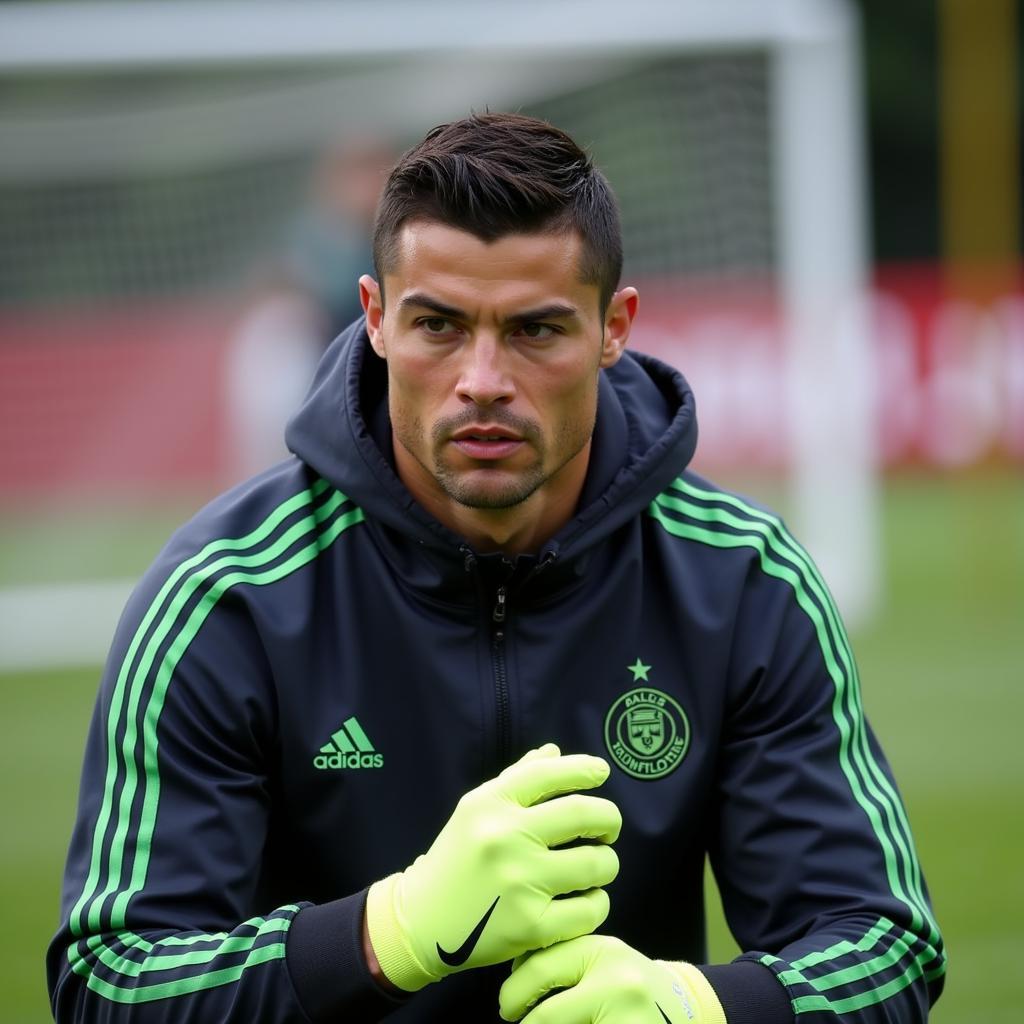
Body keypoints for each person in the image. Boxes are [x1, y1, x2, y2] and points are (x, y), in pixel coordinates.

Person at [48, 113, 945, 1023]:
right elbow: (110, 983)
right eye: (438, 324)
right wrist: (385, 934)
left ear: (614, 327)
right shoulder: (225, 595)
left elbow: (883, 948)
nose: (483, 379)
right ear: (375, 318)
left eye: (534, 330)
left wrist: (704, 1008)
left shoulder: (741, 578)